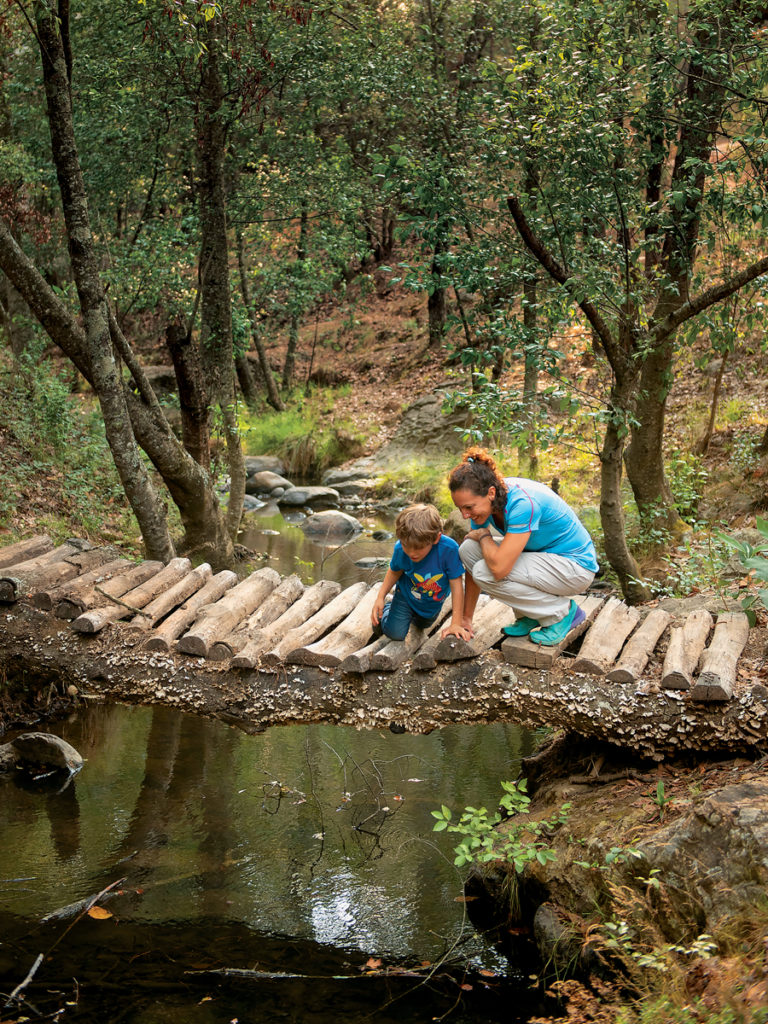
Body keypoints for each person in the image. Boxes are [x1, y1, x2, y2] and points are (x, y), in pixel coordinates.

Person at [448, 447, 598, 646]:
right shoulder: (485, 505)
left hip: (575, 568)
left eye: (469, 507)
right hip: (544, 560)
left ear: (491, 493)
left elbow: (500, 569)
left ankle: (562, 613)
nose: (465, 515)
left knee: (486, 571)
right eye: (460, 509)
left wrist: (485, 536)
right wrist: (466, 619)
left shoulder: (523, 503)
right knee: (467, 549)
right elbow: (472, 563)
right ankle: (531, 614)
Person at [371, 503, 470, 642]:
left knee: (423, 625)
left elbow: (457, 585)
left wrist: (456, 624)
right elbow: (394, 571)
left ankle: (409, 616)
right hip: (406, 595)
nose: (412, 553)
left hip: (432, 603)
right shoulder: (400, 549)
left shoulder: (449, 549)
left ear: (435, 538)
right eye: (406, 546)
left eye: (418, 548)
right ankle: (388, 610)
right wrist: (380, 597)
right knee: (396, 634)